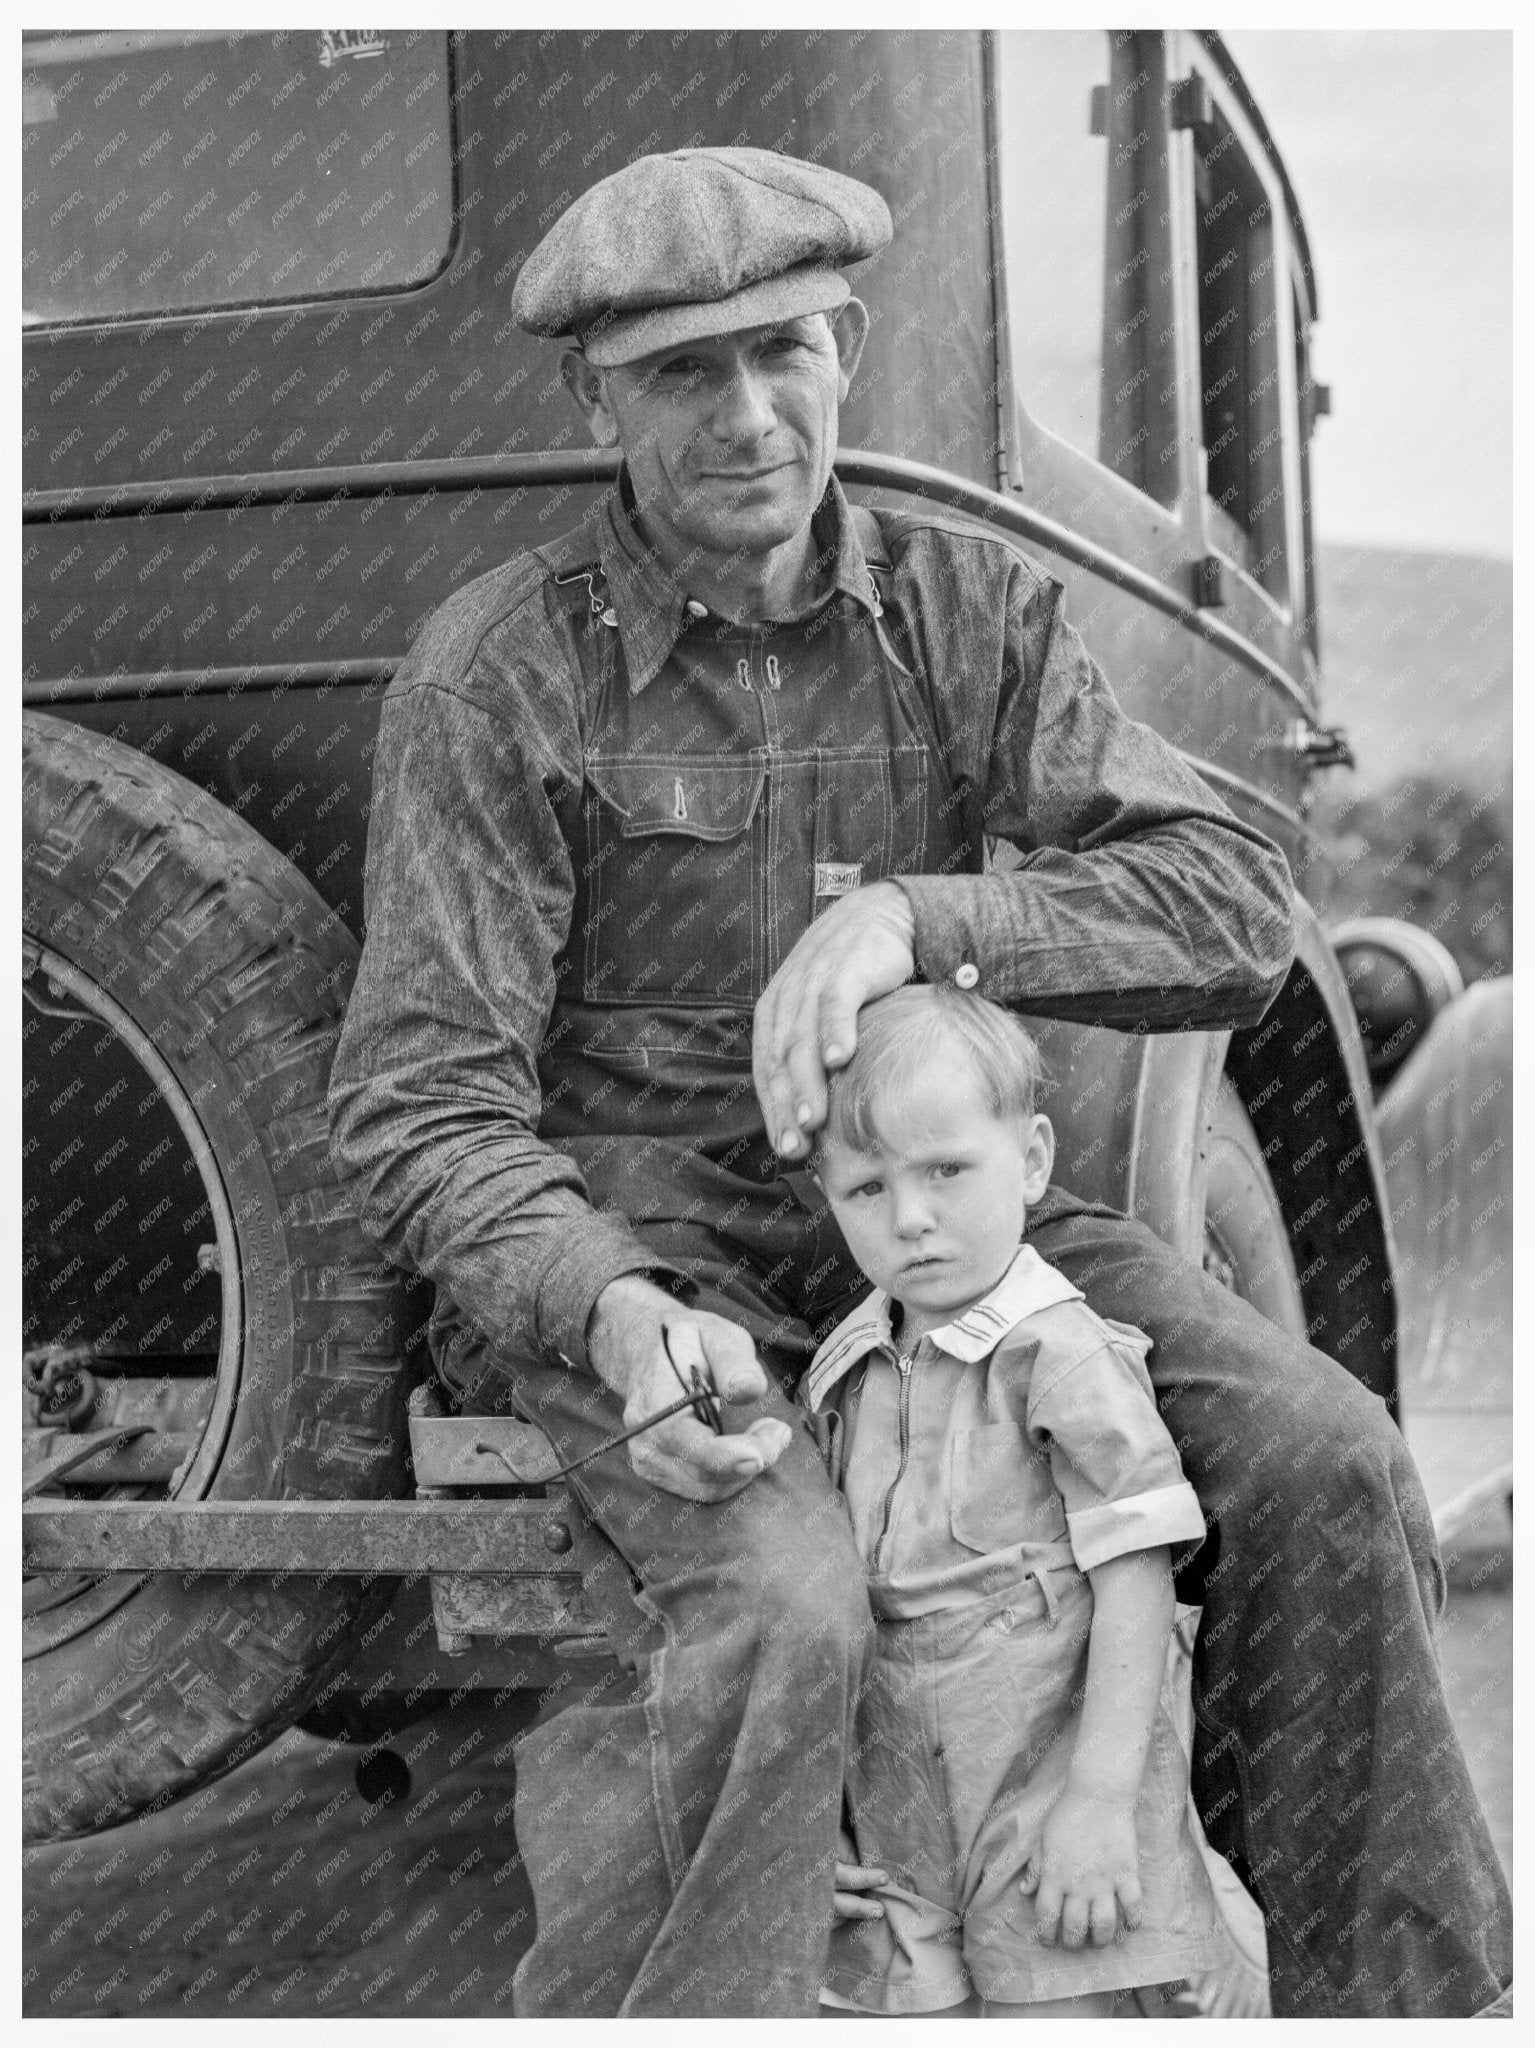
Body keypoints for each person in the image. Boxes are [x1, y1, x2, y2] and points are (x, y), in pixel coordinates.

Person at [327, 145, 1511, 2017]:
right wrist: (619, 1313)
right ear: (593, 399)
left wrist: (918, 917)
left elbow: (1240, 904)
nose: (748, 413)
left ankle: (1407, 2001)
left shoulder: (968, 620)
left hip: (961, 1216)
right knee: (787, 1604)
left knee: (1329, 1456)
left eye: (784, 350)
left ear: (849, 348)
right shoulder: (501, 672)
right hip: (655, 1262)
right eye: (679, 375)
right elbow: (418, 1105)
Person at [806, 986, 1223, 2016]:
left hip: (1043, 1775)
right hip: (895, 1789)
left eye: (946, 1169)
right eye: (865, 1188)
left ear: (1030, 1159)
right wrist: (814, 1818)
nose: (909, 1217)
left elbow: (1134, 1570)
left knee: (1055, 2005)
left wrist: (1097, 1796)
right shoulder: (843, 1367)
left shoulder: (1057, 1351)